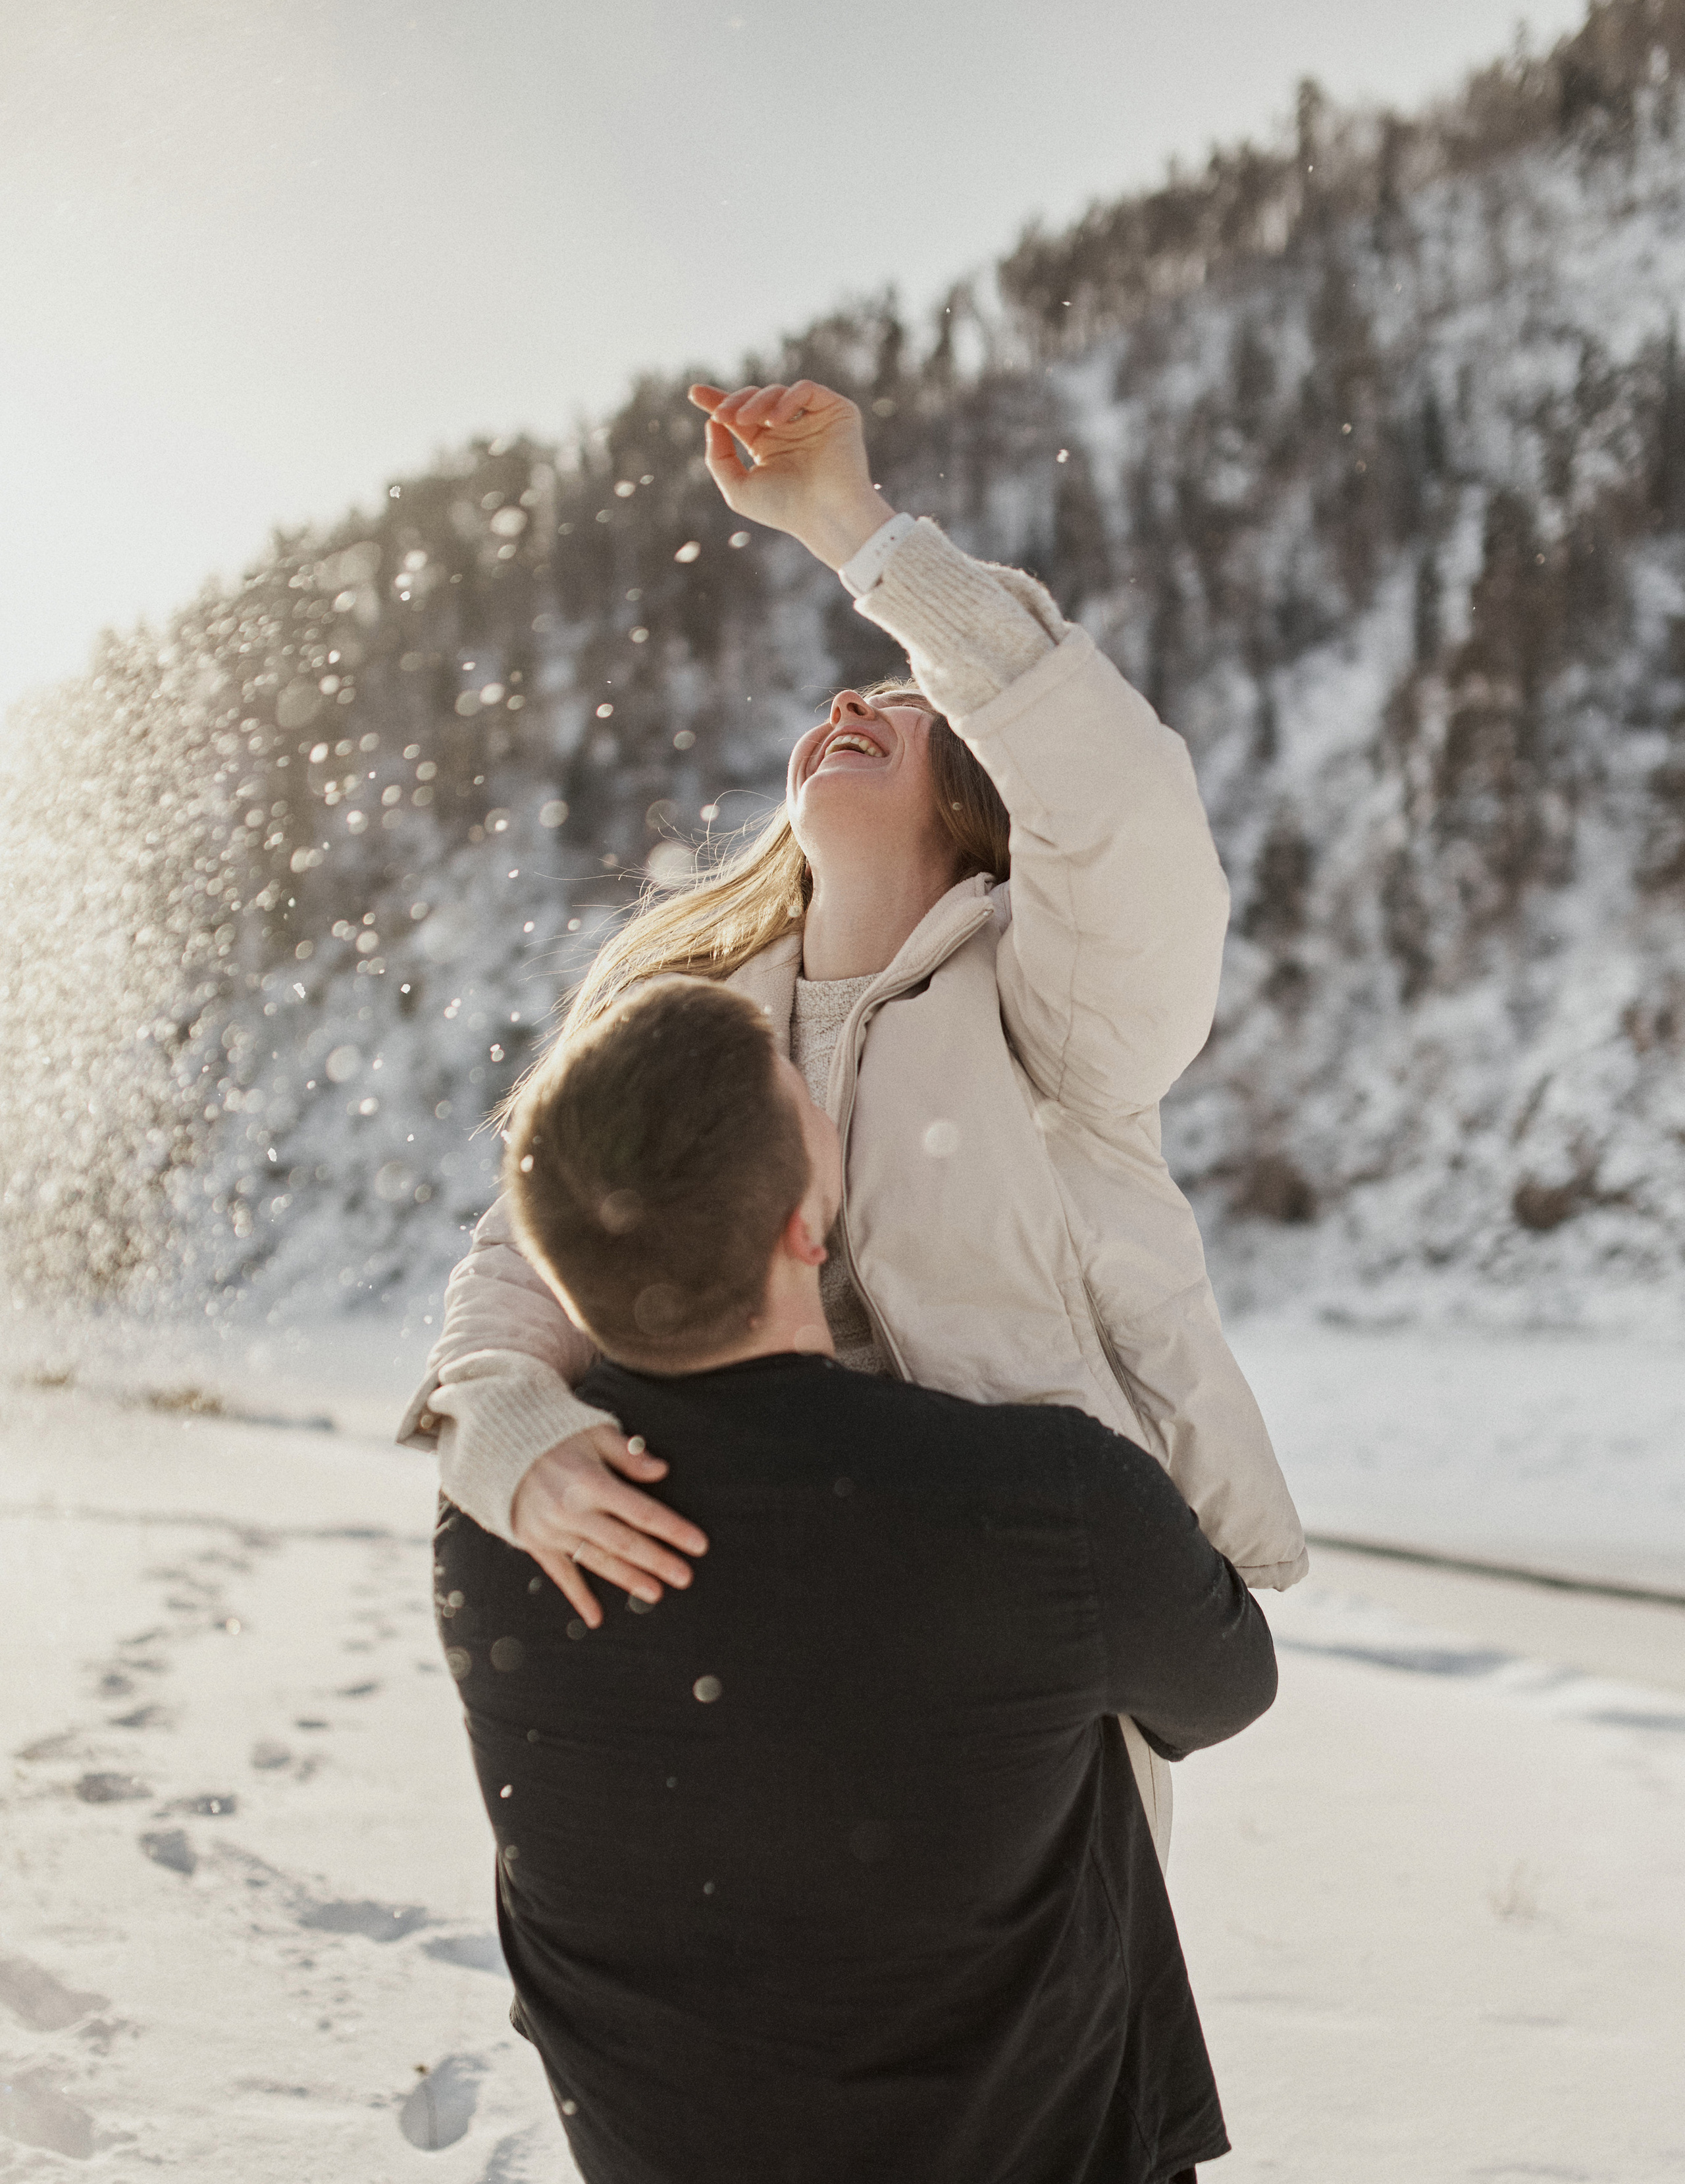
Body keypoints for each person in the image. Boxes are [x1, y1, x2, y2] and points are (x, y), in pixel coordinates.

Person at [402, 375, 1307, 1858]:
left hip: (1028, 1646)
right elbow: (530, 1253)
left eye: (902, 704)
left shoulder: (1056, 1026)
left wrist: (853, 529)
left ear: (981, 797)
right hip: (755, 1617)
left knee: (1040, 1986)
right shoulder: (692, 1023)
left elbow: (1116, 800)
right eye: (841, 699)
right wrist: (503, 1415)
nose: (848, 703)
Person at [436, 973, 1277, 2184]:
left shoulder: (502, 1529)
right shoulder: (1040, 1502)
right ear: (805, 1226)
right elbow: (1220, 1689)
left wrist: (493, 1396)